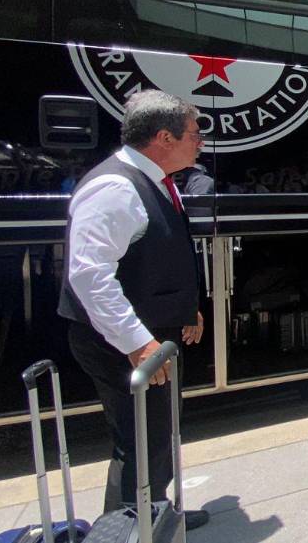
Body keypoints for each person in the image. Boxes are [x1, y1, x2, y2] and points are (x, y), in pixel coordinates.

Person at [57, 90, 209, 529]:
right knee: (138, 441)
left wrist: (185, 308)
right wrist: (137, 342)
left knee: (156, 434)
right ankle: (126, 528)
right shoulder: (116, 187)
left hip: (153, 335)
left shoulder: (156, 180)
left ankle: (155, 514)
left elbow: (159, 254)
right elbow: (90, 276)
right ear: (164, 136)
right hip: (121, 342)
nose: (200, 142)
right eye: (194, 134)